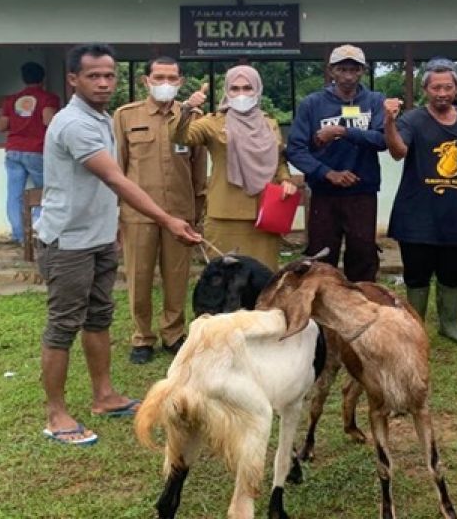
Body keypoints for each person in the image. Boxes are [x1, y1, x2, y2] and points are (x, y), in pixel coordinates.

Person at [35, 43, 201, 447]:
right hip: (68, 242)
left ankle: (104, 396)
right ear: (73, 79)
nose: (105, 82)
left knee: (98, 318)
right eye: (94, 75)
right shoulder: (75, 123)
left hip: (96, 238)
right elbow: (116, 178)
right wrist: (166, 218)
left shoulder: (102, 118)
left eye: (109, 74)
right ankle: (56, 414)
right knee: (63, 325)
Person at [384, 58, 457, 347]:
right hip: (416, 212)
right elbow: (398, 152)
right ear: (425, 89)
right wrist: (389, 122)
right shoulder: (412, 120)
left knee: (453, 271)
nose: (442, 93)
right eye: (436, 87)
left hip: (455, 213)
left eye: (448, 87)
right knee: (416, 274)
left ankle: (450, 324)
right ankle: (413, 329)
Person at [113, 56, 208, 365]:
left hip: (180, 213)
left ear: (180, 82)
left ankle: (173, 333)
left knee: (177, 276)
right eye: (159, 77)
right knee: (139, 276)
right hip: (137, 214)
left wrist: (198, 211)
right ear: (146, 81)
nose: (165, 83)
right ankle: (142, 336)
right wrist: (115, 212)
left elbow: (198, 169)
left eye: (172, 78)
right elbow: (118, 167)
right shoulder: (126, 116)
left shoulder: (191, 117)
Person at [173, 65, 297, 271]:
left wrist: (285, 179)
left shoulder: (269, 123)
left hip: (265, 214)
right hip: (225, 215)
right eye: (235, 89)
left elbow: (278, 159)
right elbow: (180, 137)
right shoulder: (212, 123)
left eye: (247, 88)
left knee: (263, 278)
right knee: (225, 279)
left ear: (257, 90)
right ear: (226, 92)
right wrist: (186, 109)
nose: (241, 94)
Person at [286, 44, 386, 282]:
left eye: (354, 69)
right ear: (331, 70)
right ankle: (321, 309)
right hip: (324, 193)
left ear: (363, 70)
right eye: (342, 69)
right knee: (321, 256)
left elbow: (383, 139)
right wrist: (327, 173)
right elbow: (295, 149)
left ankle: (361, 307)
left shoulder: (374, 101)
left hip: (362, 191)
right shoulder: (312, 104)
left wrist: (343, 131)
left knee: (363, 254)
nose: (348, 76)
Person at [0, 62, 61, 244]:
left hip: (13, 150)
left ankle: (19, 236)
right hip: (37, 150)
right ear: (43, 78)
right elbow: (49, 121)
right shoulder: (48, 98)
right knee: (43, 193)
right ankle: (40, 234)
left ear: (24, 78)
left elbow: (1, 126)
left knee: (14, 194)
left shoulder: (12, 100)